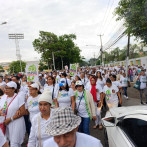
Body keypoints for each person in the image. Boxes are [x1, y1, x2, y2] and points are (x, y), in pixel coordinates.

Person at [0, 81, 26, 147]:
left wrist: (11, 119)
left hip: (15, 122)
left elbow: (23, 112)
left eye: (7, 88)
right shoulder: (4, 97)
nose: (5, 90)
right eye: (5, 88)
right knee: (5, 141)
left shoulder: (18, 97)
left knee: (14, 143)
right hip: (5, 123)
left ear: (13, 89)